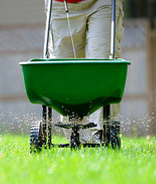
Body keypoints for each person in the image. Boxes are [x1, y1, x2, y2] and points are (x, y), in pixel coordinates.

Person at [45, 0, 124, 143]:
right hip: (61, 5)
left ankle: (101, 130)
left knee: (101, 59)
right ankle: (75, 133)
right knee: (65, 69)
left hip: (103, 3)